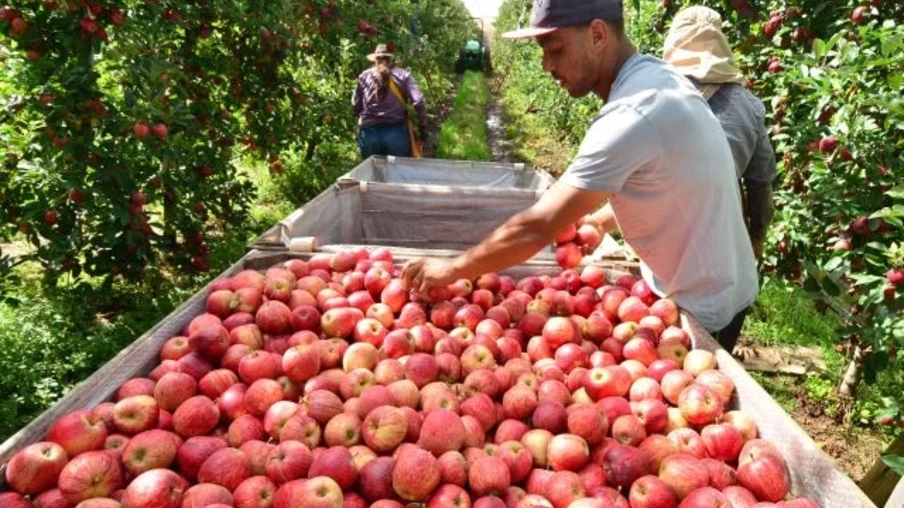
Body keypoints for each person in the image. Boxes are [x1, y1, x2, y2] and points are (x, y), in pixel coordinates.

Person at [401, 0, 758, 351]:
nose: (546, 65)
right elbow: (665, 180)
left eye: (554, 50)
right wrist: (603, 221)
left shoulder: (632, 113)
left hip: (704, 308)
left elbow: (537, 226)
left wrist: (452, 269)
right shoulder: (658, 78)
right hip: (720, 282)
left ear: (598, 35)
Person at [663, 5, 777, 260]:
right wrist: (756, 237)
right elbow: (760, 183)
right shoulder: (749, 105)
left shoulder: (654, 94)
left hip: (658, 232)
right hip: (718, 240)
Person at [352, 44, 427, 159]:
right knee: (396, 173)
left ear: (375, 59)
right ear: (391, 58)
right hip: (395, 132)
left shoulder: (364, 76)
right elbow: (419, 102)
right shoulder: (403, 76)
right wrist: (422, 126)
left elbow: (355, 103)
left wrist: (360, 116)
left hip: (369, 133)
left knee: (371, 173)